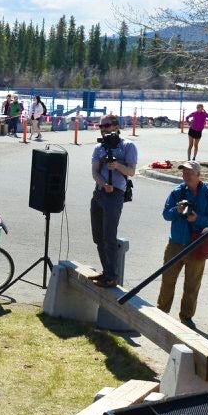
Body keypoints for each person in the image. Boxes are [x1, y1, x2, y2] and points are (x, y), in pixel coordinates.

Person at [158, 162, 208, 327]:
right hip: (176, 243)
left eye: (189, 172)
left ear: (198, 175)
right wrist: (177, 211)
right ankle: (161, 312)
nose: (185, 175)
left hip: (197, 245)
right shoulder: (177, 192)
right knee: (168, 280)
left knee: (192, 285)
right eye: (184, 172)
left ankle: (186, 317)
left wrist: (197, 219)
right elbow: (166, 215)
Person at [87, 114, 137, 289]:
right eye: (101, 126)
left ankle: (112, 275)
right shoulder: (98, 147)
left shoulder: (127, 146)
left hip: (115, 194)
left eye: (107, 125)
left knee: (109, 236)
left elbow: (131, 171)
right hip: (100, 192)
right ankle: (106, 271)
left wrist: (117, 166)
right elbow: (94, 172)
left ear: (116, 126)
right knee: (98, 236)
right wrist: (103, 184)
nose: (104, 129)